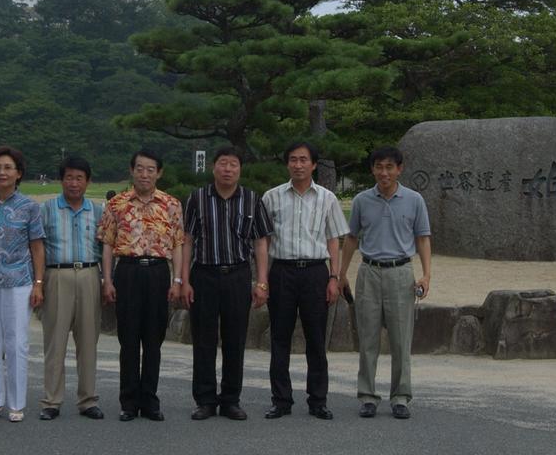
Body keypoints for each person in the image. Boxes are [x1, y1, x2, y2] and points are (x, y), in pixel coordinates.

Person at [339, 146, 432, 420]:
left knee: (401, 340)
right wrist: (342, 272)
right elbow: (352, 239)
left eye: (390, 167)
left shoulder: (414, 200)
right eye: (379, 167)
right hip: (369, 272)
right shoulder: (361, 200)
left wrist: (426, 274)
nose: (384, 172)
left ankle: (400, 396)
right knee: (367, 338)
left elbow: (423, 237)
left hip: (401, 272)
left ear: (399, 169)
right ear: (372, 169)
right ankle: (367, 396)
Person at [180, 146, 273, 421]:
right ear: (213, 167)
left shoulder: (251, 199)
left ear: (240, 169)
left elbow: (260, 243)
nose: (228, 169)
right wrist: (184, 279)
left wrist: (262, 282)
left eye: (233, 164)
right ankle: (205, 400)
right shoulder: (197, 198)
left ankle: (231, 399)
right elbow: (187, 240)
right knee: (203, 339)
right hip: (204, 274)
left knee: (235, 338)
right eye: (223, 163)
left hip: (238, 274)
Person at [261, 141, 347, 420]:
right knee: (280, 338)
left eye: (304, 160)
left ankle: (318, 400)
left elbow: (334, 239)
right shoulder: (271, 197)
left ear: (313, 165)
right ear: (287, 164)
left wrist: (334, 277)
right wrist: (263, 278)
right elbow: (264, 241)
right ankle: (281, 400)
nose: (298, 165)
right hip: (282, 271)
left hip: (315, 272)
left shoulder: (327, 198)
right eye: (293, 160)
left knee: (316, 339)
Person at [98, 150, 184, 422]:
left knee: (154, 340)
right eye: (139, 168)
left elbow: (178, 244)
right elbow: (108, 244)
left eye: (150, 169)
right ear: (131, 170)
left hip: (158, 273)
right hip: (128, 272)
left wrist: (178, 279)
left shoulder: (171, 204)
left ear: (159, 172)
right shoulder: (117, 204)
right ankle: (129, 401)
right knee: (129, 339)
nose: (144, 174)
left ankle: (150, 400)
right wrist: (108, 279)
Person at [0, 146, 45, 423]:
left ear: (19, 173)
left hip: (19, 281)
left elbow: (37, 247)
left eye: (8, 168)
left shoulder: (29, 207)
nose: (2, 172)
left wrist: (38, 283)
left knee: (17, 342)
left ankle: (16, 402)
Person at [37, 156, 105, 421]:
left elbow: (104, 248)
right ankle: (51, 401)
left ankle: (88, 400)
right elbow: (38, 249)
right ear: (61, 179)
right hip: (57, 275)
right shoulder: (47, 209)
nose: (74, 183)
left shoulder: (98, 210)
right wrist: (39, 283)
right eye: (69, 177)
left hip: (89, 273)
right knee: (55, 341)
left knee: (89, 340)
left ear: (88, 181)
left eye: (79, 178)